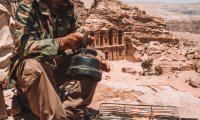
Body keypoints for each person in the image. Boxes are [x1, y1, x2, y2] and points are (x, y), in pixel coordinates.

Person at [9, 0, 110, 119]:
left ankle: (73, 111)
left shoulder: (68, 8)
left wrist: (91, 55)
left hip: (55, 69)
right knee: (33, 66)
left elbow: (81, 40)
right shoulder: (28, 7)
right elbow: (23, 47)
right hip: (32, 72)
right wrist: (61, 43)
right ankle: (57, 116)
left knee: (94, 57)